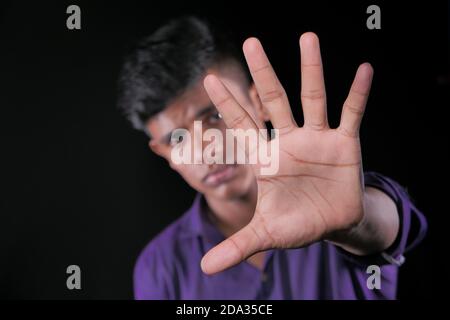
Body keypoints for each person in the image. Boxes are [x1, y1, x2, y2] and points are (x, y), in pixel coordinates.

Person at [117, 16, 427, 299]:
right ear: (163, 153)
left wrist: (356, 224)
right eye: (177, 138)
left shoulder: (333, 201)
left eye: (214, 116)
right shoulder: (158, 266)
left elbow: (386, 228)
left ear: (258, 102)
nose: (205, 150)